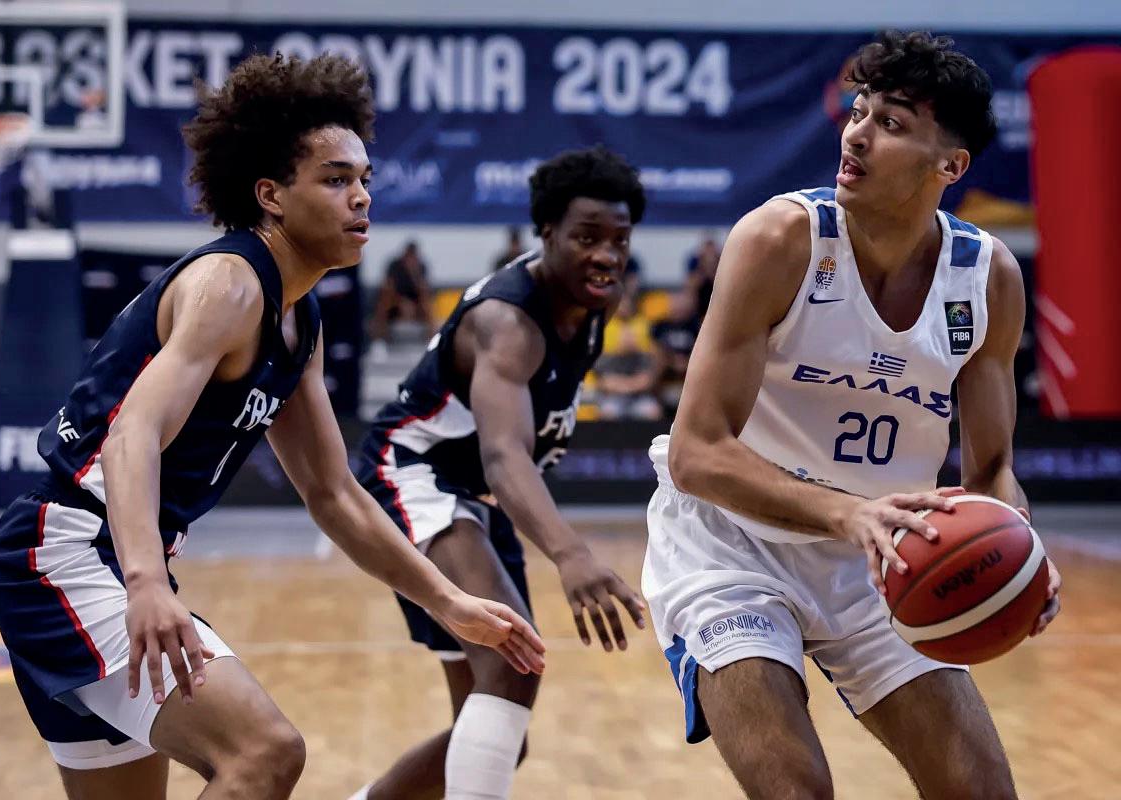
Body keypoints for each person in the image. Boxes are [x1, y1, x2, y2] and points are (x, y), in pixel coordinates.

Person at [0, 53, 543, 800]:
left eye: (365, 178)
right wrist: (146, 582)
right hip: (67, 555)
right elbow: (131, 434)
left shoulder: (296, 319)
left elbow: (332, 493)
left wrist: (448, 601)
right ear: (271, 195)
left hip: (102, 560)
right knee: (265, 753)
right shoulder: (231, 284)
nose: (361, 197)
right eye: (335, 179)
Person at [643, 31, 1062, 799]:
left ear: (951, 166)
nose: (857, 134)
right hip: (729, 548)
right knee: (796, 790)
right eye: (860, 111)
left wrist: (1021, 544)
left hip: (882, 557)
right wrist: (851, 513)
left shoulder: (986, 279)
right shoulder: (780, 239)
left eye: (891, 123)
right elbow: (696, 453)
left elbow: (993, 467)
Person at [349, 146, 649, 800]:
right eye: (588, 238)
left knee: (498, 724)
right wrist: (570, 554)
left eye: (620, 240)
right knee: (515, 666)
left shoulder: (595, 302)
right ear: (547, 232)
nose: (607, 255)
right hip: (415, 472)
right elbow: (504, 454)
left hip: (473, 497)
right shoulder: (507, 321)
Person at [594, 292, 661, 420]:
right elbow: (605, 383)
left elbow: (646, 381)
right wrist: (630, 385)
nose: (628, 339)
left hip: (639, 397)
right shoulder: (608, 357)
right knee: (608, 411)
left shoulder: (642, 355)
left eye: (631, 335)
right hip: (613, 397)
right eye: (624, 336)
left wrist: (625, 386)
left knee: (652, 410)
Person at [368, 240, 434, 355]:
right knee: (384, 301)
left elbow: (423, 290)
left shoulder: (421, 266)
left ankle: (431, 341)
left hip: (415, 303)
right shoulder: (394, 265)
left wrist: (414, 273)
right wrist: (401, 302)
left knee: (427, 304)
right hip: (395, 300)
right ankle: (378, 340)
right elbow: (388, 286)